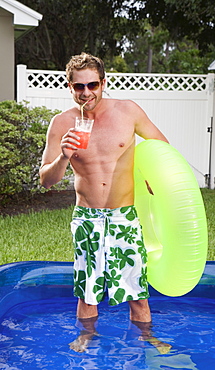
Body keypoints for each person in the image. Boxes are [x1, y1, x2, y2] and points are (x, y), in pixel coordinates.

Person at [39, 52, 171, 354]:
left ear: (104, 82)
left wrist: (155, 181)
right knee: (87, 291)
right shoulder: (61, 124)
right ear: (69, 86)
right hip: (87, 217)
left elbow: (162, 150)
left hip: (124, 215)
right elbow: (46, 180)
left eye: (93, 85)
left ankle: (146, 338)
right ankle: (87, 336)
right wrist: (63, 156)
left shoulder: (128, 112)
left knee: (137, 290)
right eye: (79, 87)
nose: (86, 93)